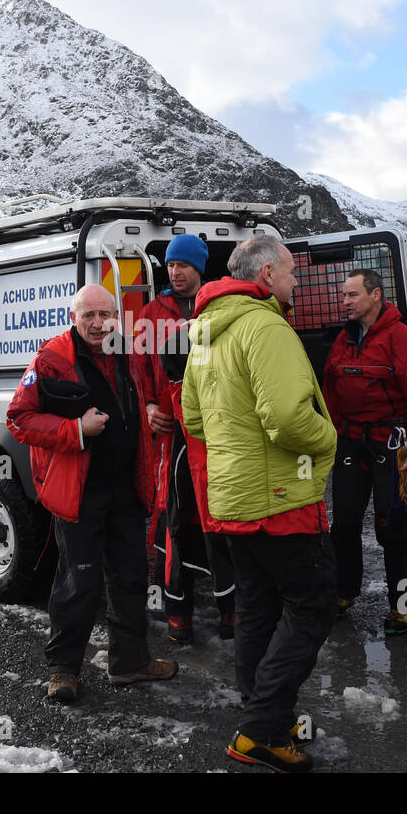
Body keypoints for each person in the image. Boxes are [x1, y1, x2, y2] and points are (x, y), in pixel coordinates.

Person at [182, 235, 337, 773]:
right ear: (267, 274)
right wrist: (330, 439)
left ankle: (264, 714)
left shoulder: (203, 333)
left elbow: (195, 420)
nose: (296, 283)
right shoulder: (266, 325)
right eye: (292, 273)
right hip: (282, 499)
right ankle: (260, 730)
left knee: (257, 609)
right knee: (313, 604)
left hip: (232, 499)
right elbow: (289, 420)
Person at [6, 284, 177, 703]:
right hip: (79, 493)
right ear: (73, 317)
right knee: (78, 582)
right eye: (89, 316)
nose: (98, 324)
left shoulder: (128, 354)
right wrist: (75, 430)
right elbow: (19, 419)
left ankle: (129, 662)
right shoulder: (51, 359)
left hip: (126, 489)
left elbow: (145, 395)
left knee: (131, 578)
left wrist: (152, 409)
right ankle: (63, 670)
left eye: (105, 314)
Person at [323, 269, 407, 634]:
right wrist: (330, 437)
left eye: (352, 295)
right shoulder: (344, 339)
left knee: (393, 526)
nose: (345, 302)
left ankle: (405, 606)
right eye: (344, 296)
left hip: (391, 444)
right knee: (343, 522)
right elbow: (330, 390)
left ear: (376, 295)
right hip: (350, 442)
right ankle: (344, 592)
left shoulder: (403, 340)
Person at [132, 234, 235, 644]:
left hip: (215, 437)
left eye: (184, 266)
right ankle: (178, 614)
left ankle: (231, 610)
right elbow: (137, 375)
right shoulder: (150, 315)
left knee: (223, 518)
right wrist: (150, 410)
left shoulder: (217, 308)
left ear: (199, 269)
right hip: (170, 437)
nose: (175, 272)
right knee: (172, 521)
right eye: (171, 265)